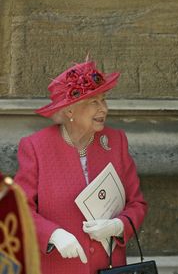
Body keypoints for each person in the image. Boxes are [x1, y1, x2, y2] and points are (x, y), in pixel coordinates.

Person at [14, 60, 148, 274]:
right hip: (57, 267)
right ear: (69, 110)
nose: (103, 108)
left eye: (104, 100)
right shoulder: (36, 147)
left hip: (109, 267)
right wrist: (53, 235)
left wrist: (118, 226)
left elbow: (137, 204)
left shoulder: (116, 141)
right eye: (94, 101)